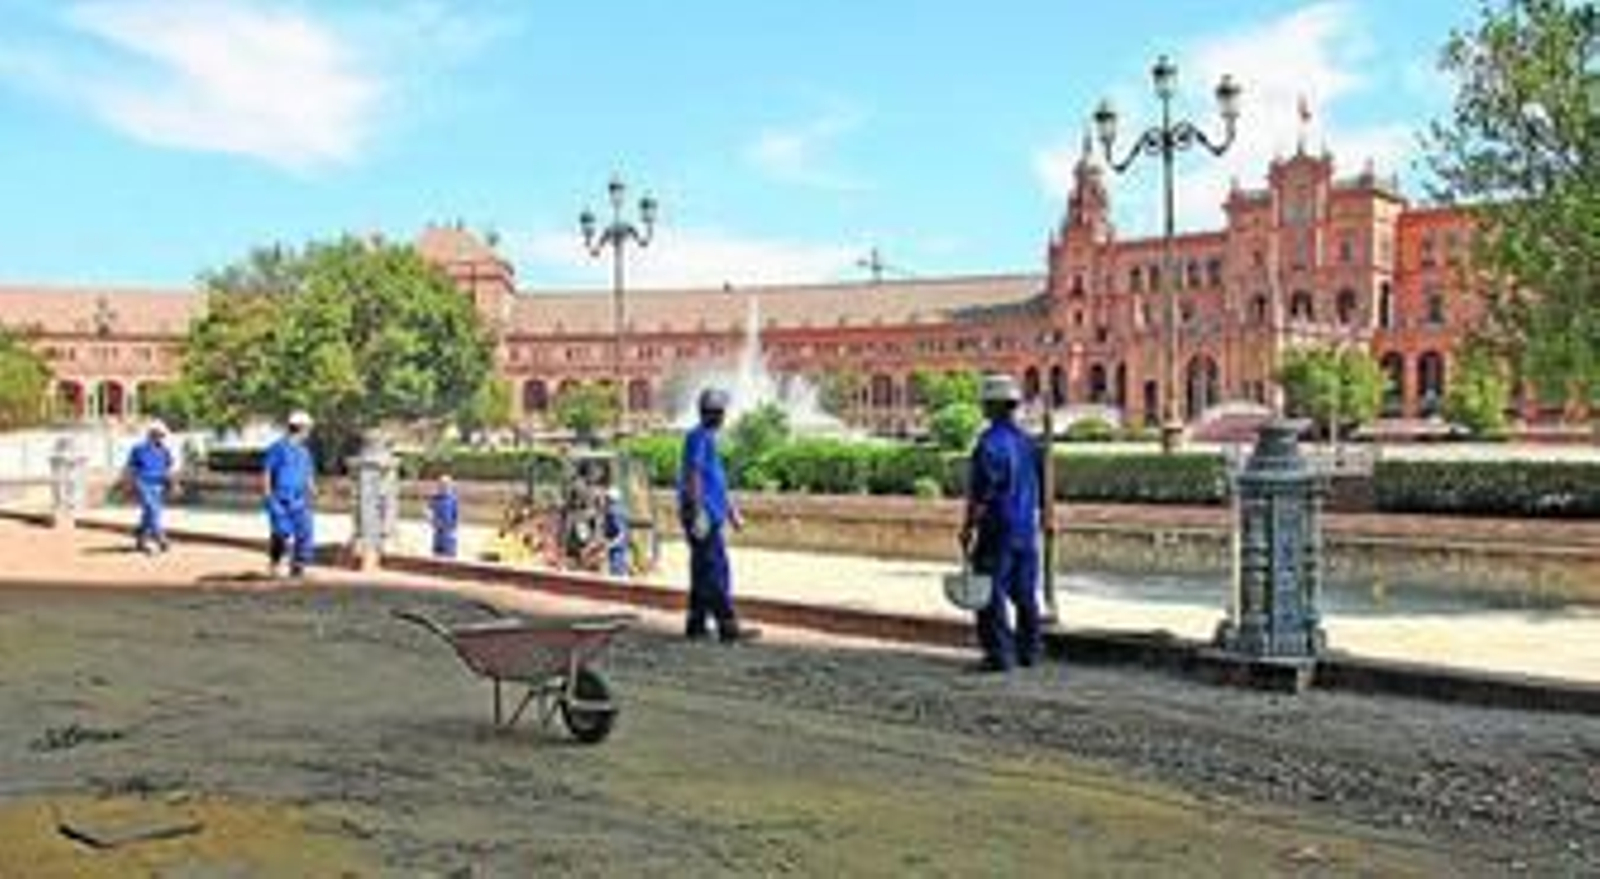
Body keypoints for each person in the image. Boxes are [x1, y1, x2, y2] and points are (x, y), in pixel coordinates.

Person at [959, 374, 1042, 673]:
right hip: (1025, 527)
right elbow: (1040, 487)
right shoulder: (1028, 442)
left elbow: (981, 493)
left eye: (985, 403)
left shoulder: (988, 444)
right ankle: (1029, 651)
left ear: (992, 407)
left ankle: (999, 654)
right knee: (1024, 591)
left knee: (990, 590)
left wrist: (968, 526)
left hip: (997, 527)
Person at [677, 387, 754, 642]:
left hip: (708, 514)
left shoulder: (707, 438)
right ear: (711, 413)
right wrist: (699, 511)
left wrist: (732, 512)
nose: (722, 417)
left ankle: (696, 625)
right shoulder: (698, 437)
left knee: (702, 570)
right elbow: (695, 475)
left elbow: (717, 482)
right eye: (720, 412)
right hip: (703, 515)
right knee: (715, 569)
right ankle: (728, 626)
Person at [262, 410, 317, 578]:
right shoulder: (278, 448)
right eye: (308, 429)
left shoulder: (304, 452)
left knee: (304, 532)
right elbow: (268, 471)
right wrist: (268, 494)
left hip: (300, 499)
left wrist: (312, 488)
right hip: (279, 498)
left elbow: (308, 473)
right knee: (281, 532)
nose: (309, 433)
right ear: (301, 428)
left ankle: (298, 566)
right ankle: (275, 563)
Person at [125, 420, 176, 555]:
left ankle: (141, 539)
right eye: (159, 434)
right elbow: (131, 467)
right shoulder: (138, 449)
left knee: (150, 512)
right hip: (143, 483)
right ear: (151, 434)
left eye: (162, 435)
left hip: (158, 484)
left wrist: (173, 484)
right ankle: (160, 538)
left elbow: (168, 469)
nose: (161, 437)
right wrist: (130, 484)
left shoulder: (164, 451)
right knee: (152, 509)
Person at [428, 474, 460, 559]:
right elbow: (429, 511)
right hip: (438, 533)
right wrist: (432, 520)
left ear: (450, 486)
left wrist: (453, 528)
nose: (443, 487)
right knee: (437, 554)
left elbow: (456, 515)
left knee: (450, 555)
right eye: (441, 484)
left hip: (449, 533)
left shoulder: (453, 499)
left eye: (446, 484)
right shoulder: (435, 498)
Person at [602, 485, 630, 577]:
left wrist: (611, 544)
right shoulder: (622, 509)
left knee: (617, 572)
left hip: (617, 550)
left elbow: (621, 533)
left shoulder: (613, 512)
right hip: (620, 548)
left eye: (607, 498)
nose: (605, 501)